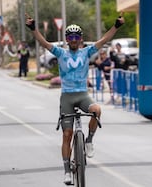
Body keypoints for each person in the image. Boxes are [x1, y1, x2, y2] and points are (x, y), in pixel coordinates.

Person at [26, 12, 124, 185]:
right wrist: (34, 29)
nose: (73, 39)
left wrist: (116, 26)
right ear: (66, 39)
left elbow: (103, 40)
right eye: (70, 36)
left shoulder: (87, 52)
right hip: (67, 98)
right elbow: (44, 43)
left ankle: (89, 141)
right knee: (67, 134)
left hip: (82, 95)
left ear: (80, 39)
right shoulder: (61, 53)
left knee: (97, 110)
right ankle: (67, 172)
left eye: (76, 36)